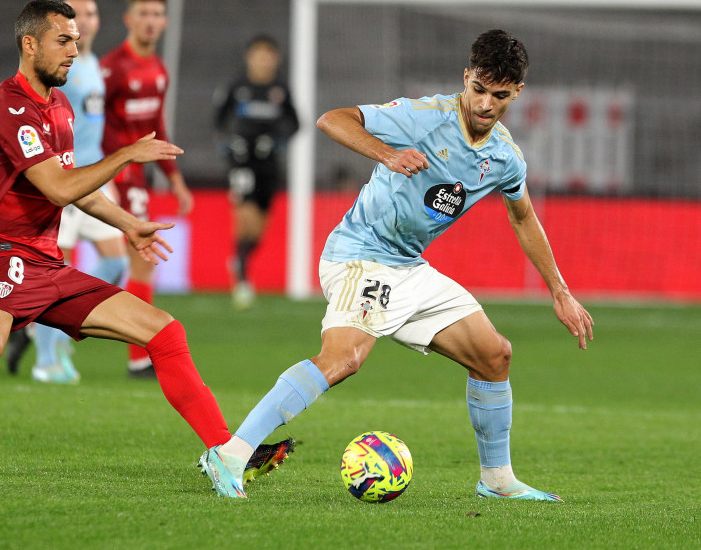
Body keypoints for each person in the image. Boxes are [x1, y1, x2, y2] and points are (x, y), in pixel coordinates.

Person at [0, 0, 293, 487]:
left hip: (47, 263)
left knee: (165, 332)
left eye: (76, 41)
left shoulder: (58, 106)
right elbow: (56, 188)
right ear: (29, 43)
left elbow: (76, 185)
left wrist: (127, 223)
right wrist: (126, 155)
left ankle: (223, 452)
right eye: (63, 40)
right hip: (3, 255)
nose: (74, 51)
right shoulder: (7, 105)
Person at [199, 30, 594, 500]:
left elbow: (524, 216)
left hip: (408, 265)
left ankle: (497, 481)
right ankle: (229, 455)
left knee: (495, 356)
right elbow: (332, 120)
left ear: (517, 93)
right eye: (479, 89)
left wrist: (560, 291)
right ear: (466, 78)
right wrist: (387, 153)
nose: (487, 104)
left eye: (501, 95)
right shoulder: (422, 117)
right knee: (343, 359)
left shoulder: (504, 156)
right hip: (360, 256)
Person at [6, 0, 130, 384]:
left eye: (91, 14)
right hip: (63, 178)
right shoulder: (58, 67)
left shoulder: (92, 64)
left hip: (90, 178)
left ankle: (48, 325)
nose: (86, 21)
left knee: (117, 262)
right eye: (77, 15)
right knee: (52, 273)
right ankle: (47, 359)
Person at [99, 0, 194, 379]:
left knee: (136, 262)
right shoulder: (111, 68)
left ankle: (40, 330)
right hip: (111, 173)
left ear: (165, 21)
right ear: (129, 18)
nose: (151, 21)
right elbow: (91, 123)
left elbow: (156, 127)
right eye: (144, 13)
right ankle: (138, 357)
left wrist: (175, 179)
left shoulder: (158, 70)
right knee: (138, 260)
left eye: (157, 14)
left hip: (138, 177)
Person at [213, 35, 299, 309]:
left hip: (269, 162)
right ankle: (241, 276)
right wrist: (229, 144)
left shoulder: (280, 89)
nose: (263, 60)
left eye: (268, 55)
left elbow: (295, 123)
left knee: (260, 227)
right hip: (242, 162)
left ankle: (241, 257)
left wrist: (277, 141)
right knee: (245, 216)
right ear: (249, 57)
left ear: (276, 59)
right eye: (258, 55)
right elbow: (218, 120)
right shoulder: (237, 86)